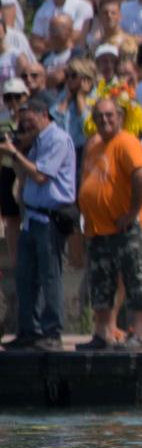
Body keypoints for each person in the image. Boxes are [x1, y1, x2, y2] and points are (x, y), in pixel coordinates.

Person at [76, 95, 142, 350]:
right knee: (100, 283)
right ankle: (103, 334)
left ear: (120, 117)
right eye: (99, 116)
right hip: (97, 229)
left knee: (136, 279)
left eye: (110, 115)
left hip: (125, 227)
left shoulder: (127, 143)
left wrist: (133, 213)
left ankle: (139, 335)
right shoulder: (93, 144)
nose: (104, 120)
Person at [3, 90, 76, 351]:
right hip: (30, 218)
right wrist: (19, 149)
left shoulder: (57, 139)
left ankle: (52, 332)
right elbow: (23, 174)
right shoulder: (35, 142)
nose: (25, 127)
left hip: (49, 219)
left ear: (44, 115)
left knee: (49, 276)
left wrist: (15, 153)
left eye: (29, 121)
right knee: (25, 276)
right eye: (23, 123)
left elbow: (41, 176)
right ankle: (28, 331)